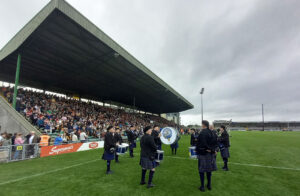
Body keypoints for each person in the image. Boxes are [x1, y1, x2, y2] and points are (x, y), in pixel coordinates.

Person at [196, 120, 217, 192]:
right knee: (209, 170)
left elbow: (201, 144)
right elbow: (215, 143)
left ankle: (202, 186)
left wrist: (208, 149)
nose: (201, 125)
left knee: (201, 170)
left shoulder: (203, 132)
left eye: (201, 124)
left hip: (203, 153)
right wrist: (212, 150)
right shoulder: (212, 132)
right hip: (210, 154)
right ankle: (209, 185)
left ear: (204, 125)